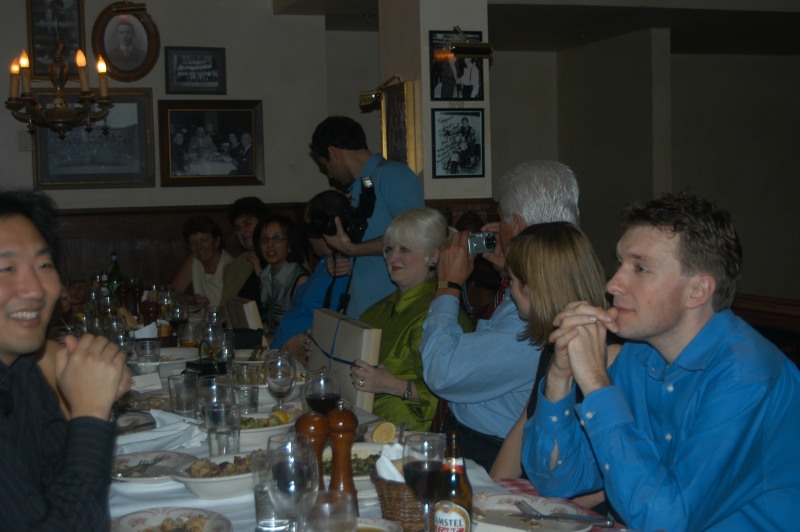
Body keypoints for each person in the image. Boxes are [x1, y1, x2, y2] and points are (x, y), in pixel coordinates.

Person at [524, 192, 800, 530]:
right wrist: (560, 375)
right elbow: (556, 481)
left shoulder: (746, 377)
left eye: (640, 268)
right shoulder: (639, 357)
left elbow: (666, 521)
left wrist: (596, 385)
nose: (612, 284)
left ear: (698, 291)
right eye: (619, 263)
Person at [420, 160, 580, 471]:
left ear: (517, 225)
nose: (496, 226)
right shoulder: (557, 285)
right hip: (482, 440)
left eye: (501, 217)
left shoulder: (537, 313)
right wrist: (512, 273)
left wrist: (448, 287)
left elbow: (442, 372)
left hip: (489, 451)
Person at [0, 189, 130, 529]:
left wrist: (89, 400)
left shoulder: (21, 369)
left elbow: (56, 486)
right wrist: (90, 412)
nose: (34, 289)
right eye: (6, 268)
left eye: (43, 265)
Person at [489, 222, 610, 511]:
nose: (510, 290)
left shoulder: (612, 351)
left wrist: (548, 508)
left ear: (533, 288)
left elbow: (613, 472)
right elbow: (526, 422)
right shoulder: (554, 345)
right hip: (550, 497)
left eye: (512, 280)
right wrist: (489, 495)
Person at [350, 208, 472, 431]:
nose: (392, 258)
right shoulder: (374, 312)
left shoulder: (443, 315)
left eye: (404, 249)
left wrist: (394, 385)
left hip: (412, 436)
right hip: (363, 424)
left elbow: (456, 393)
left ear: (434, 256)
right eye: (389, 249)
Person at [309, 116, 424, 319]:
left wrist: (353, 250)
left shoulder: (393, 175)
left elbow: (414, 236)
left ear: (334, 152)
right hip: (363, 310)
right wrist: (347, 261)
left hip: (391, 312)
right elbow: (373, 244)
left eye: (325, 166)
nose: (329, 175)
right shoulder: (361, 185)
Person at [270, 190, 352, 365]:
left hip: (297, 363)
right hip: (278, 355)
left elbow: (341, 326)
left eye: (308, 229)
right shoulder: (324, 264)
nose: (307, 237)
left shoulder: (344, 268)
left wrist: (302, 342)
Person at [252, 214, 309, 336]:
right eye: (264, 239)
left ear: (290, 245)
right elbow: (269, 323)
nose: (269, 245)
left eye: (277, 238)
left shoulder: (301, 280)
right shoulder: (266, 275)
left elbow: (300, 329)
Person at [220, 196, 269, 316]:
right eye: (237, 228)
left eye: (247, 224)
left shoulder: (283, 257)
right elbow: (225, 309)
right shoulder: (236, 265)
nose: (242, 231)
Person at [169, 216, 234, 308]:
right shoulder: (194, 260)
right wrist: (191, 299)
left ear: (216, 241)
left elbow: (231, 307)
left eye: (204, 241)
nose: (199, 247)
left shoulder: (228, 266)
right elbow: (170, 294)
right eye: (193, 243)